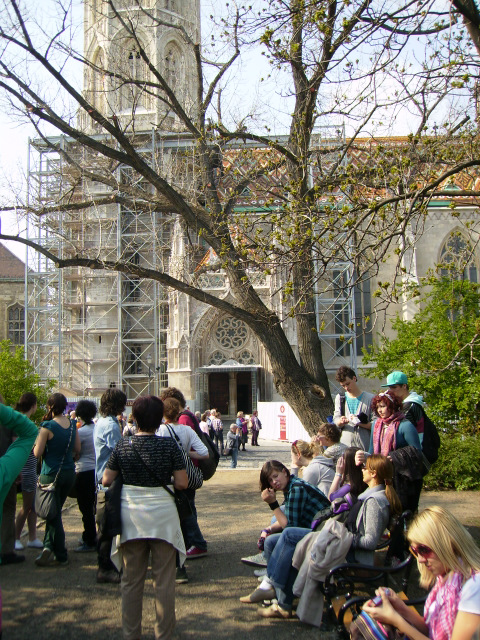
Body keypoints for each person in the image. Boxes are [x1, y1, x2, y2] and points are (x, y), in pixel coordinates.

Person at [241, 454, 401, 619]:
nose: (362, 470)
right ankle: (278, 597)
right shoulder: (370, 496)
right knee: (280, 542)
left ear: (374, 474)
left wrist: (343, 536)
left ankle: (273, 589)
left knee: (290, 538)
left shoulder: (375, 502)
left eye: (365, 468)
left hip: (351, 553)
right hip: (337, 540)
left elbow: (370, 542)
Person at [103, 395, 188, 640]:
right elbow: (182, 483)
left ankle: (131, 634)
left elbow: (106, 479)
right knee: (164, 582)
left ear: (135, 418)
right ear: (160, 419)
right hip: (163, 517)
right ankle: (164, 635)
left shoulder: (123, 445)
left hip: (132, 516)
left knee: (131, 581)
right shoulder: (168, 446)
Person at [362, 506, 480, 640]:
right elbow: (431, 632)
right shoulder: (448, 578)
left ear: (446, 544)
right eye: (415, 551)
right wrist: (401, 608)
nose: (420, 559)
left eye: (423, 550)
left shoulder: (474, 587)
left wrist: (396, 620)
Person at [157, 397, 209, 579]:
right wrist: (186, 453)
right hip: (186, 476)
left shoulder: (160, 430)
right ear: (179, 412)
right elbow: (204, 453)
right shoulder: (187, 430)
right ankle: (191, 544)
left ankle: (193, 545)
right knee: (188, 509)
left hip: (169, 478)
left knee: (176, 515)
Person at [34, 392, 81, 567]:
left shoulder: (47, 426)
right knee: (54, 511)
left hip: (51, 473)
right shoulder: (72, 425)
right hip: (68, 472)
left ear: (49, 406)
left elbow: (37, 453)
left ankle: (61, 554)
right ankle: (48, 546)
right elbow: (77, 448)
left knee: (53, 515)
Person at [254, 459, 330, 565]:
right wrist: (268, 530)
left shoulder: (296, 489)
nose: (274, 482)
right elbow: (288, 518)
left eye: (275, 476)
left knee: (271, 541)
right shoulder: (291, 485)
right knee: (274, 525)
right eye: (270, 480)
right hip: (316, 527)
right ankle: (270, 565)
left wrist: (273, 504)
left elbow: (289, 528)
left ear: (284, 472)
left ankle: (273, 572)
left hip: (321, 532)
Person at [94, 387, 127, 583]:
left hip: (105, 476)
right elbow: (119, 452)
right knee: (107, 525)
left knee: (108, 523)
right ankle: (104, 567)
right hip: (110, 479)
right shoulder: (110, 425)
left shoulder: (105, 421)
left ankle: (110, 564)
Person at [0, 400, 38, 562]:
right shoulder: (9, 421)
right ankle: (7, 548)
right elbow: (28, 433)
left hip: (8, 466)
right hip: (7, 467)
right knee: (9, 509)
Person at [14, 392, 43, 552]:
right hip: (25, 469)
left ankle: (32, 537)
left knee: (32, 506)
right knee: (26, 506)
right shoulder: (25, 424)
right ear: (33, 405)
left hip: (29, 468)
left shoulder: (20, 421)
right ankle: (16, 537)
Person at [73, 399, 98, 553]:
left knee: (86, 508)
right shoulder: (96, 429)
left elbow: (75, 452)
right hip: (95, 470)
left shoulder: (80, 432)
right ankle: (91, 535)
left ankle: (89, 538)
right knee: (93, 505)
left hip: (83, 470)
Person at [333, 366, 374, 449]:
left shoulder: (371, 398)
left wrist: (359, 422)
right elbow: (336, 419)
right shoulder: (340, 398)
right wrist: (340, 422)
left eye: (348, 384)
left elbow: (376, 425)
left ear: (354, 378)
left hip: (365, 446)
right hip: (345, 446)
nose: (346, 388)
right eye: (343, 386)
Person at [380, 370, 426, 437]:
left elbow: (400, 430)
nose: (391, 391)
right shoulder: (402, 403)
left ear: (404, 386)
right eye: (390, 388)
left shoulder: (410, 405)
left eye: (394, 387)